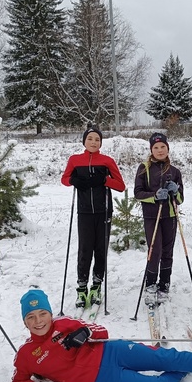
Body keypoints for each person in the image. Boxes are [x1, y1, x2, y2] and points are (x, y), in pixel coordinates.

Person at [12, 289, 192, 382]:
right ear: (25, 322)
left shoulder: (64, 323)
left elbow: (100, 330)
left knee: (167, 358)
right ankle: (184, 368)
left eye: (42, 314)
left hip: (111, 351)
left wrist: (85, 333)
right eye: (31, 317)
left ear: (50, 313)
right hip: (100, 379)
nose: (38, 321)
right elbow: (17, 381)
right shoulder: (26, 355)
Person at [61, 126, 126, 308]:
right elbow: (64, 179)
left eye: (97, 139)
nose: (93, 142)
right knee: (85, 249)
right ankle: (82, 289)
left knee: (100, 249)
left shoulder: (107, 161)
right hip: (84, 211)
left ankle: (96, 286)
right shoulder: (75, 160)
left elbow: (121, 186)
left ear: (101, 143)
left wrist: (104, 180)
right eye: (90, 138)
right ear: (84, 141)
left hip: (104, 211)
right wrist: (74, 180)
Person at [133, 132, 183, 305]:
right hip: (152, 216)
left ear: (168, 149)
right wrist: (155, 195)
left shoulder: (175, 171)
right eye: (156, 147)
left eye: (163, 147)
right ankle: (151, 285)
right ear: (151, 150)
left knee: (167, 252)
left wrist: (175, 192)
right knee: (154, 251)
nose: (160, 150)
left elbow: (181, 199)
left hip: (169, 216)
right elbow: (137, 194)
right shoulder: (144, 168)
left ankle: (164, 284)